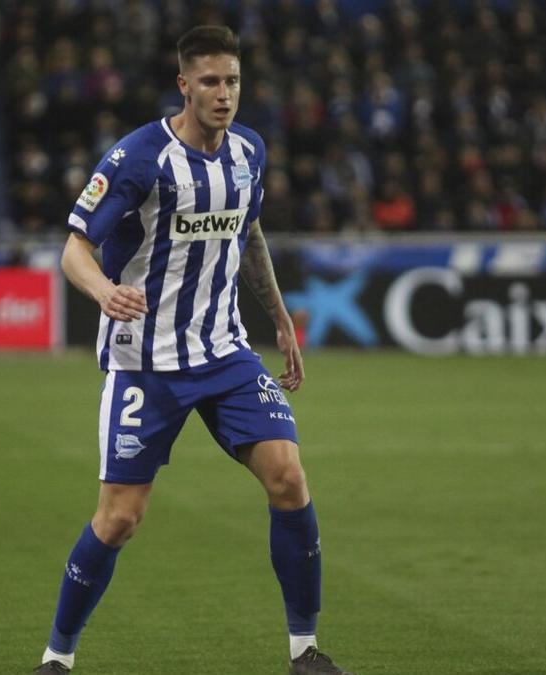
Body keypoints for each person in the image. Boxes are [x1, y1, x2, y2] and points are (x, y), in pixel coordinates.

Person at [33, 26, 352, 675]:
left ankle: (304, 652)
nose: (223, 93)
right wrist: (102, 290)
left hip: (223, 351)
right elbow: (74, 248)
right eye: (210, 81)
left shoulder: (249, 152)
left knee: (289, 477)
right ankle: (56, 658)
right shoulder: (138, 158)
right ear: (184, 84)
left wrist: (281, 319)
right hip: (145, 360)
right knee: (121, 517)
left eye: (232, 81)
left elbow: (249, 231)